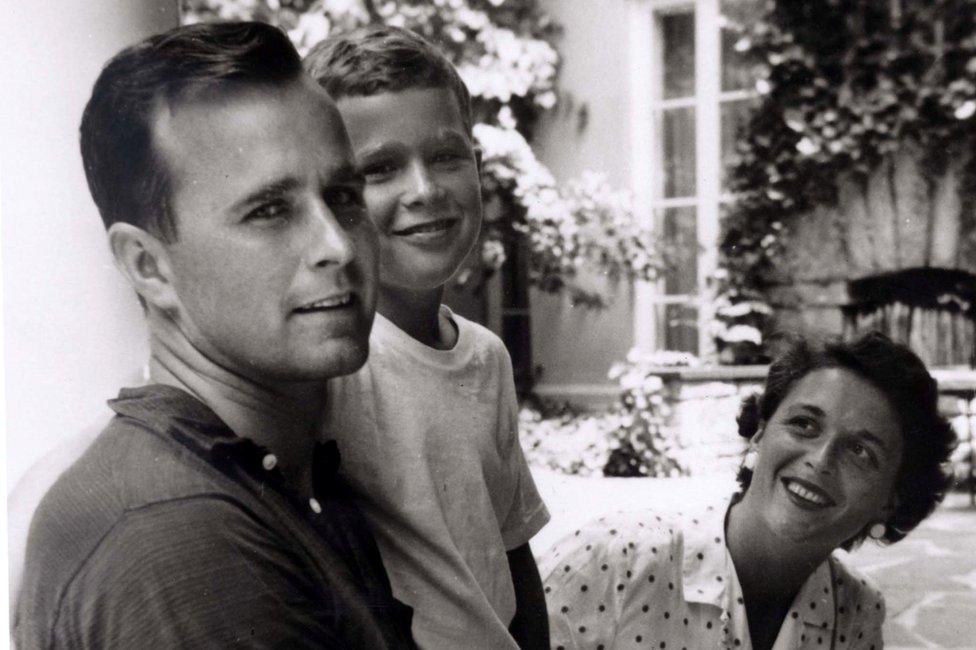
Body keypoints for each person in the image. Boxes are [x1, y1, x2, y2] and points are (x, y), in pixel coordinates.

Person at [15, 21, 416, 649]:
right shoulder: (177, 539)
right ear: (149, 267)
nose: (337, 245)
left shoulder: (280, 471)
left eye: (342, 195)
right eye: (270, 211)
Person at [304, 25, 551, 650]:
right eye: (380, 168)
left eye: (447, 155)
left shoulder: (485, 358)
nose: (426, 190)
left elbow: (509, 549)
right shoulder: (330, 365)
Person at [541, 332, 955, 650]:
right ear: (759, 435)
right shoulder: (617, 560)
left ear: (891, 499)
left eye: (861, 452)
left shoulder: (856, 612)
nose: (821, 460)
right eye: (804, 424)